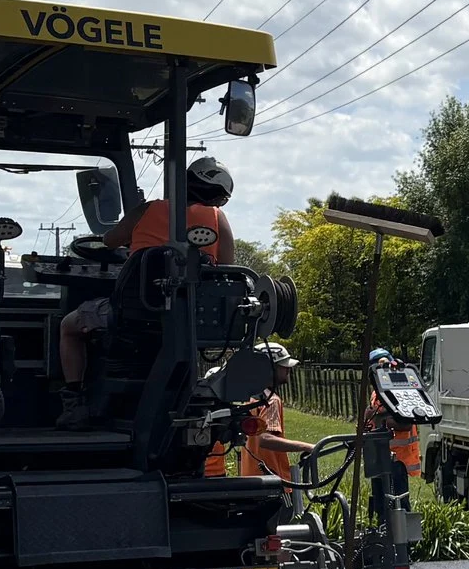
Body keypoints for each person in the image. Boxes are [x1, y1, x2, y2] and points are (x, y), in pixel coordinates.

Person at [57, 154, 236, 427]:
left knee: (69, 327)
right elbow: (226, 267)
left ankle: (75, 401)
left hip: (133, 316)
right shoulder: (217, 218)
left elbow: (109, 239)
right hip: (188, 319)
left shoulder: (147, 209)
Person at [208, 341, 300, 479]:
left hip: (250, 475)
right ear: (268, 368)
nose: (288, 369)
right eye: (283, 365)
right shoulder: (271, 400)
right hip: (273, 476)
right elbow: (265, 439)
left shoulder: (249, 399)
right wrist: (309, 447)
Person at [359, 346, 421, 481]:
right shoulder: (376, 393)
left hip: (400, 463)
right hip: (380, 459)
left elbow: (405, 424)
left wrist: (377, 419)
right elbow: (371, 415)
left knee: (399, 499)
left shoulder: (401, 391)